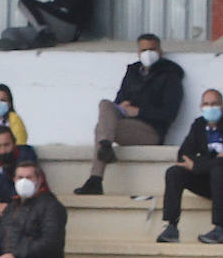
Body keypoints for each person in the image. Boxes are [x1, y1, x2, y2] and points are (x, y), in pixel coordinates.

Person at [73, 34, 184, 195]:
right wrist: (121, 106)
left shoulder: (170, 76)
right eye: (144, 50)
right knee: (105, 105)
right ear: (138, 53)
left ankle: (96, 178)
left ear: (160, 51)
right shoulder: (132, 72)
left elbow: (169, 113)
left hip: (151, 131)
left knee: (101, 129)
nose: (148, 53)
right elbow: (118, 100)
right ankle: (105, 149)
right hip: (127, 124)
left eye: (152, 49)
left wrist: (139, 111)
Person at [158, 88, 223, 244]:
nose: (210, 107)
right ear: (201, 107)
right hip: (207, 182)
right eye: (206, 104)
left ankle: (220, 229)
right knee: (174, 172)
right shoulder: (199, 125)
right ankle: (171, 227)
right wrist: (204, 164)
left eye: (214, 104)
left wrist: (197, 164)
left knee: (218, 171)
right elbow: (183, 155)